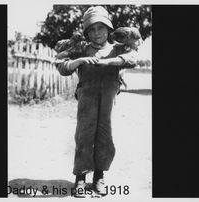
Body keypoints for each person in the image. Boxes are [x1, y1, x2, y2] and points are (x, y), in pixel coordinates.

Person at [56, 6, 138, 197]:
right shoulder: (81, 48)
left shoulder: (117, 49)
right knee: (84, 134)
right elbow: (62, 66)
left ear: (109, 29)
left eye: (100, 28)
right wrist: (80, 61)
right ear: (86, 32)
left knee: (104, 134)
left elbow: (133, 58)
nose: (96, 33)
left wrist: (111, 61)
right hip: (87, 98)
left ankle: (99, 176)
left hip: (108, 99)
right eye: (91, 29)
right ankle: (81, 177)